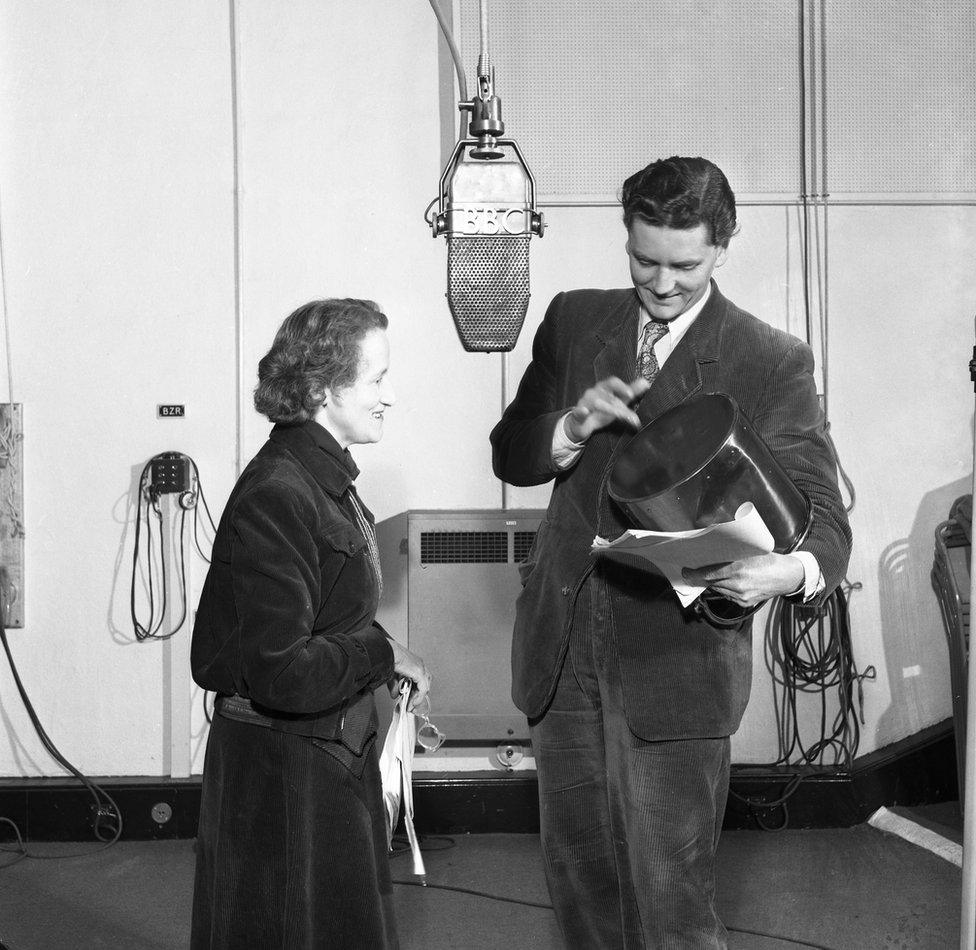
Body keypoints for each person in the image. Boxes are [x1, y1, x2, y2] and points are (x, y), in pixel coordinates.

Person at [490, 156, 851, 949]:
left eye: (684, 265)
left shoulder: (768, 358)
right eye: (643, 259)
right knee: (579, 883)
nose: (661, 283)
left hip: (676, 656)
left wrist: (788, 572)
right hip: (563, 639)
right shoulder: (575, 321)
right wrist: (569, 427)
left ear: (723, 245)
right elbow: (510, 452)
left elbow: (824, 515)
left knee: (673, 902)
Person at [190, 298, 430, 950]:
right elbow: (285, 673)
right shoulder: (282, 490)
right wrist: (380, 652)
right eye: (376, 379)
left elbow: (325, 621)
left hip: (323, 755)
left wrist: (381, 656)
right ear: (324, 389)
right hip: (287, 771)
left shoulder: (320, 479)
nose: (390, 396)